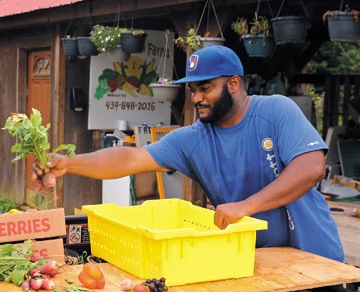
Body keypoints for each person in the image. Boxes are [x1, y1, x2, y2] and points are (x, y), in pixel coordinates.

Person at [34, 45, 344, 262]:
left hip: (313, 258)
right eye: (192, 90)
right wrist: (69, 164)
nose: (196, 98)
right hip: (255, 262)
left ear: (233, 83)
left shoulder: (276, 110)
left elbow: (312, 166)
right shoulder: (193, 138)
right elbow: (131, 158)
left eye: (205, 88)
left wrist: (246, 207)